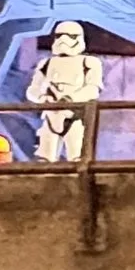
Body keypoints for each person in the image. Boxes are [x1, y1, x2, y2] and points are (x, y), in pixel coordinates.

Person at [27, 20, 104, 163]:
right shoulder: (46, 63)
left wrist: (70, 98)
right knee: (44, 160)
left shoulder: (89, 62)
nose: (64, 40)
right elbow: (32, 90)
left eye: (69, 36)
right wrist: (43, 98)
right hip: (50, 115)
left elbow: (93, 89)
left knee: (77, 159)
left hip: (76, 116)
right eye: (59, 36)